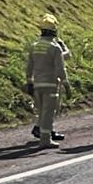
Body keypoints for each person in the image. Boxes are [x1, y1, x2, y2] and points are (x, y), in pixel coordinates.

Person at [25, 14, 70, 149]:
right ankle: (45, 140)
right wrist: (66, 84)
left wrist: (29, 81)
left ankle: (42, 134)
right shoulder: (55, 48)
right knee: (49, 112)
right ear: (54, 31)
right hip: (50, 84)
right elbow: (60, 69)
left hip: (37, 84)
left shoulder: (34, 46)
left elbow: (29, 66)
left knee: (41, 111)